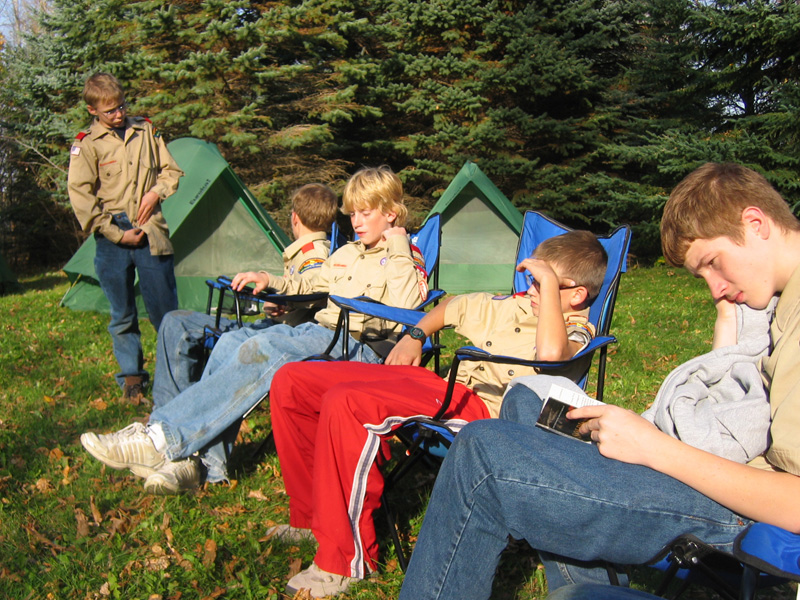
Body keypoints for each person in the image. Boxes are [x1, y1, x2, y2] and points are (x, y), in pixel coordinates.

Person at [397, 162, 800, 600]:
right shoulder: (777, 297)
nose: (715, 289)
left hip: (738, 512)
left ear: (755, 223)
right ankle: (588, 589)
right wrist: (727, 319)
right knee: (526, 399)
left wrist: (650, 446)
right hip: (697, 459)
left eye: (713, 264)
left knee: (482, 454)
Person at [267, 230, 608, 598]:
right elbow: (453, 306)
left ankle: (343, 561)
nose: (531, 291)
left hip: (481, 414)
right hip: (443, 389)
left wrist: (550, 290)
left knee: (347, 402)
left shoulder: (576, 328)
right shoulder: (515, 304)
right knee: (293, 380)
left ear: (576, 295)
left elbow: (552, 355)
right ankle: (310, 516)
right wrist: (414, 336)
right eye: (532, 281)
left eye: (542, 284)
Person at [80, 165, 428, 495]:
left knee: (263, 349)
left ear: (391, 213)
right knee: (232, 341)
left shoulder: (406, 255)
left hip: (360, 346)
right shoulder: (348, 253)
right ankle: (203, 463)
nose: (356, 222)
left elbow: (408, 305)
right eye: (352, 214)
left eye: (365, 213)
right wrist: (269, 280)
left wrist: (398, 244)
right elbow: (308, 284)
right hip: (321, 334)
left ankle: (159, 439)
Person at [151, 182, 339, 406]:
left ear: (294, 217)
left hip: (278, 335)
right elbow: (300, 293)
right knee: (175, 321)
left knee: (179, 325)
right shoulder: (304, 249)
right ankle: (170, 411)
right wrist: (278, 303)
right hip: (274, 325)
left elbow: (315, 287)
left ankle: (174, 412)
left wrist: (270, 281)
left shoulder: (314, 253)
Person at [68, 73, 184, 404]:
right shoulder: (86, 145)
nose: (119, 114)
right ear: (93, 110)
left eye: (122, 106)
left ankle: (176, 378)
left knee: (166, 314)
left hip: (151, 231)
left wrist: (155, 193)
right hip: (111, 236)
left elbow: (171, 171)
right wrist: (117, 234)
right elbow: (81, 196)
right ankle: (132, 379)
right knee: (122, 315)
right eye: (110, 111)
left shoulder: (145, 130)